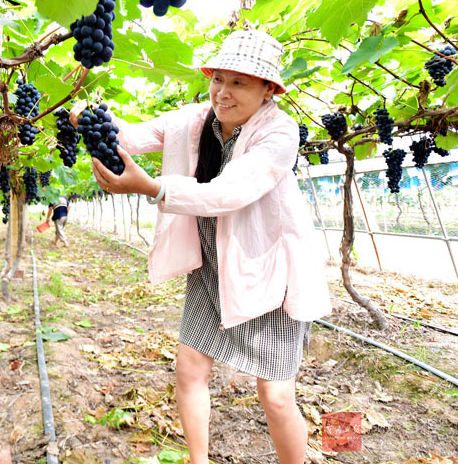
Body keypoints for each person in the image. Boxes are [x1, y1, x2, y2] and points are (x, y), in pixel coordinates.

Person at [71, 29, 331, 464]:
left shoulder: (281, 133)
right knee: (189, 368)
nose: (222, 92)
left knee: (276, 394)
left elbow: (230, 191)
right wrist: (85, 113)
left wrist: (153, 189)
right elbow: (132, 138)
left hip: (267, 271)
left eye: (239, 83)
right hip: (211, 266)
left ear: (268, 89)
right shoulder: (196, 120)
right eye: (218, 79)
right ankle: (198, 461)